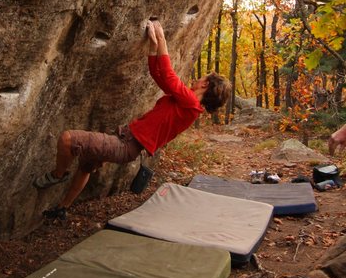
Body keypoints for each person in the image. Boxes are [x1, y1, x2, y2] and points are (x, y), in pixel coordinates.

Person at [34, 19, 231, 220]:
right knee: (86, 167)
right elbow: (160, 76)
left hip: (125, 145)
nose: (196, 80)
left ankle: (58, 175)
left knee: (68, 139)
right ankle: (62, 208)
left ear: (205, 84)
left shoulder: (191, 104)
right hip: (126, 140)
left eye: (202, 78)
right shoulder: (186, 104)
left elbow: (170, 76)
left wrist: (162, 38)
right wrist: (154, 46)